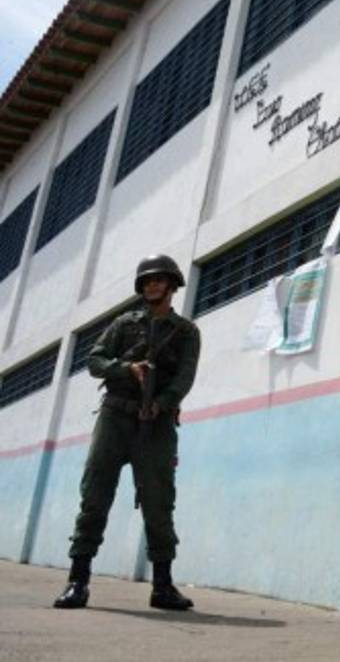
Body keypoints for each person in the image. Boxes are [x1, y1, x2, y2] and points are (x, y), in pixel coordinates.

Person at [54, 255, 201, 611]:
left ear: (172, 284)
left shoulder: (186, 332)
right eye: (146, 280)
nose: (151, 285)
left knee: (159, 502)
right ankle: (78, 581)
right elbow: (94, 360)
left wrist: (163, 402)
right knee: (94, 496)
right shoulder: (124, 324)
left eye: (158, 279)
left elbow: (184, 377)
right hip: (114, 417)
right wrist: (125, 369)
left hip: (157, 423)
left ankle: (162, 587)